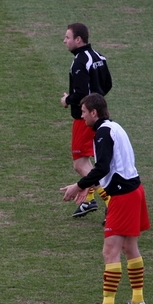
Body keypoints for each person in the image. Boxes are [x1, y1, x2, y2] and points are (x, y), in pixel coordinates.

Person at [61, 94, 150, 304]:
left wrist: (78, 186)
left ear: (94, 112)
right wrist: (87, 186)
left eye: (83, 111)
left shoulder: (102, 133)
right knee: (130, 248)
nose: (81, 116)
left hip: (123, 196)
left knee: (110, 251)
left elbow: (102, 167)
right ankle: (137, 300)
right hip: (134, 191)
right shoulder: (114, 127)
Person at [60, 23, 113, 219]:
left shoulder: (79, 62)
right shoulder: (99, 57)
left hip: (85, 120)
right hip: (99, 115)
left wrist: (68, 100)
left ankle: (110, 202)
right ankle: (89, 200)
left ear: (78, 39)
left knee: (80, 164)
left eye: (67, 37)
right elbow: (107, 84)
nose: (64, 41)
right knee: (88, 159)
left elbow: (81, 94)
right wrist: (97, 102)